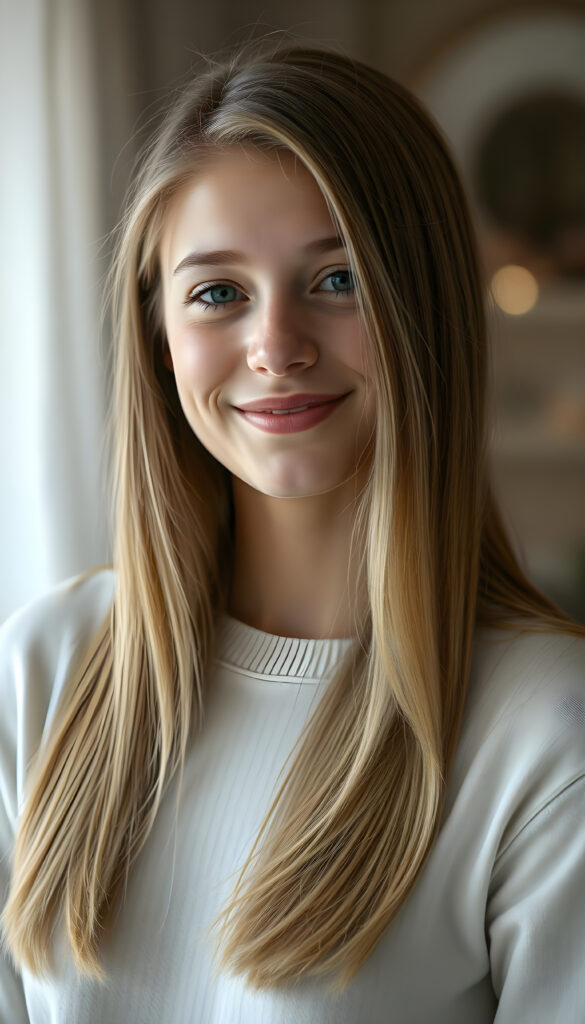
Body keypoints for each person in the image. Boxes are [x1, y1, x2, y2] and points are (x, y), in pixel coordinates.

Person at [1, 41, 584, 1024]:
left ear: (426, 307)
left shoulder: (547, 734)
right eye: (218, 292)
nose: (276, 346)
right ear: (157, 333)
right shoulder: (45, 665)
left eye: (339, 279)